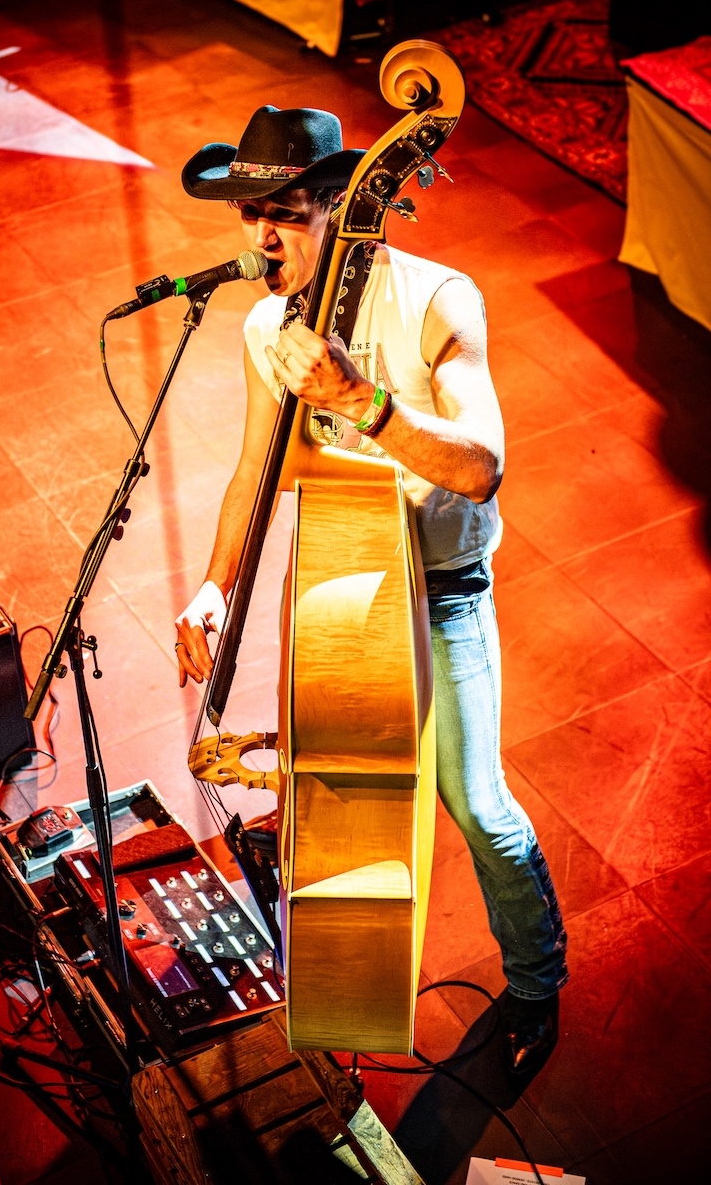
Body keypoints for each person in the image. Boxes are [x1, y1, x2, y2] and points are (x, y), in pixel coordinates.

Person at [174, 105, 568, 1072]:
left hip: (442, 586)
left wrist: (363, 401)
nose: (262, 235)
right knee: (328, 794)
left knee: (476, 804)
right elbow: (254, 468)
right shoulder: (267, 324)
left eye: (286, 212)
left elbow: (482, 468)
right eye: (249, 213)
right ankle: (343, 995)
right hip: (340, 577)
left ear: (342, 208)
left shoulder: (438, 300)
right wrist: (216, 586)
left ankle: (536, 982)